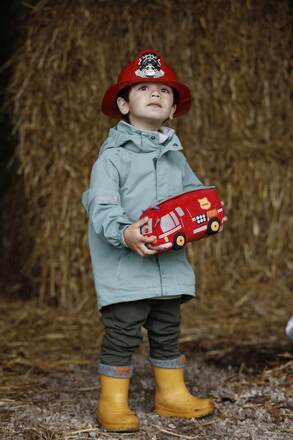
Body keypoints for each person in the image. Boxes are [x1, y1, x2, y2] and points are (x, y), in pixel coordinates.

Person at [82, 49, 216, 432]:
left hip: (168, 267)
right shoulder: (112, 158)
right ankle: (112, 402)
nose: (155, 93)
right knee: (123, 331)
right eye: (143, 87)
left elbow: (193, 197)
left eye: (164, 90)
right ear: (124, 104)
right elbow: (102, 206)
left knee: (167, 328)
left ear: (173, 108)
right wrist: (125, 231)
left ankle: (170, 395)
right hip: (126, 270)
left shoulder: (176, 157)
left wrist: (206, 212)